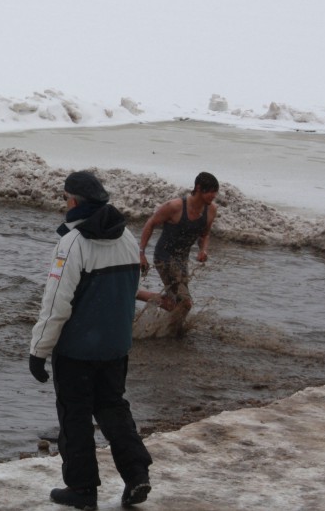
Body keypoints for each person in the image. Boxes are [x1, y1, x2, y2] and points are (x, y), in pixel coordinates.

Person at [29, 171, 152, 510]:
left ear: (73, 201)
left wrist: (38, 351)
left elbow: (55, 304)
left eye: (65, 197)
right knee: (113, 407)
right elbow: (127, 291)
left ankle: (82, 490)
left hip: (77, 352)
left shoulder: (72, 243)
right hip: (115, 346)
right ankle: (137, 473)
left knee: (75, 416)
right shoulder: (127, 236)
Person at [137, 172, 220, 322]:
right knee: (185, 303)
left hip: (182, 260)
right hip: (164, 257)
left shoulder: (211, 210)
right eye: (211, 192)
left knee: (173, 304)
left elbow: (205, 235)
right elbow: (150, 223)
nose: (214, 196)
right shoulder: (174, 206)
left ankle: (134, 294)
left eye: (216, 192)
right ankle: (174, 332)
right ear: (199, 188)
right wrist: (141, 253)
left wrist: (203, 250)